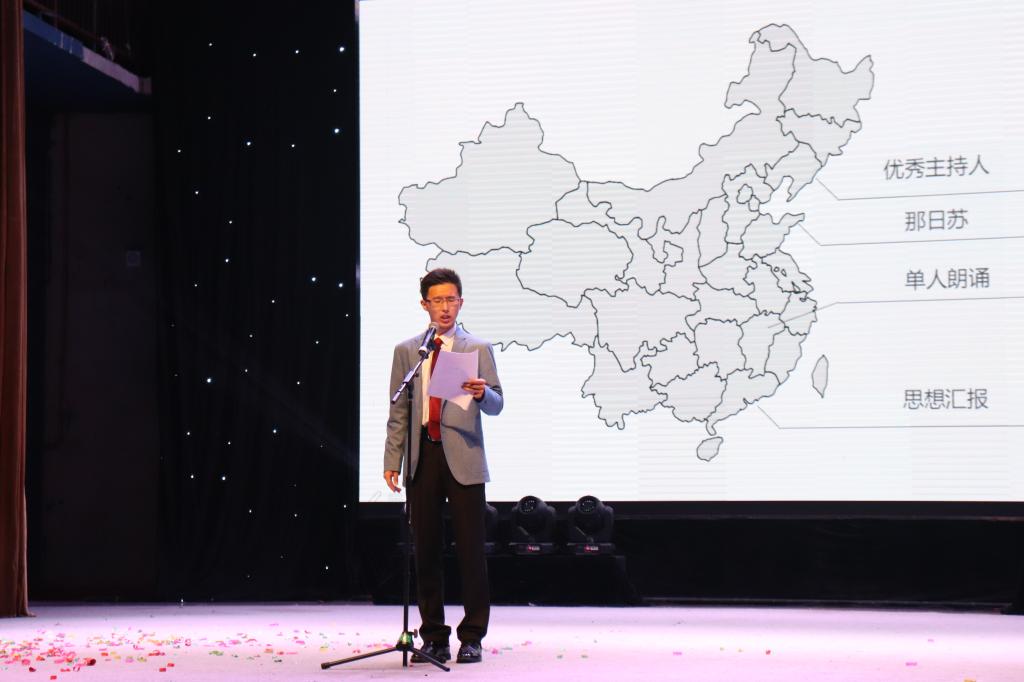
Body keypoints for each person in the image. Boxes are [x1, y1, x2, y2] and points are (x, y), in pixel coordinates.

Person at [383, 267, 503, 664]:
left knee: (471, 551)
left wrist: (483, 393)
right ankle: (434, 636)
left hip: (463, 455)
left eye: (451, 299)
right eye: (438, 300)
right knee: (426, 550)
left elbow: (498, 403)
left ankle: (472, 636)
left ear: (461, 302)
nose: (445, 307)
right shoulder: (409, 351)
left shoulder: (477, 348)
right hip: (424, 455)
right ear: (425, 304)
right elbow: (398, 412)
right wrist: (393, 459)